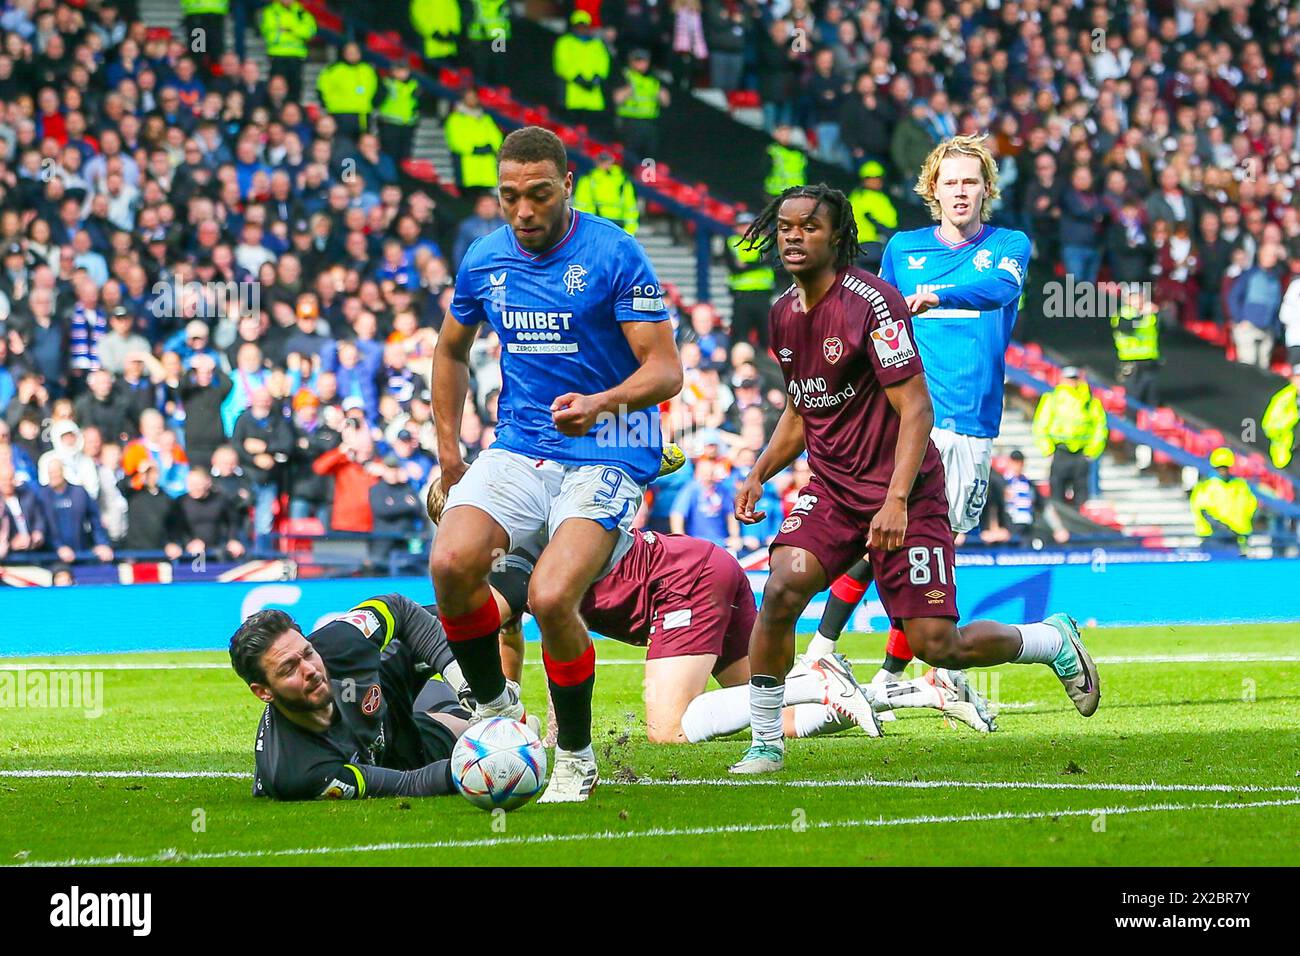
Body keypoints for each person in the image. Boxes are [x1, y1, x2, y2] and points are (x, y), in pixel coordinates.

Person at [727, 184, 1097, 775]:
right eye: (786, 227)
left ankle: (1051, 641)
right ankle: (767, 740)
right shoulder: (781, 315)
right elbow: (802, 408)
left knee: (937, 644)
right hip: (831, 487)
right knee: (781, 588)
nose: (794, 237)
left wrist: (896, 499)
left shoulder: (873, 304)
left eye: (809, 227)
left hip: (906, 491)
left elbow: (917, 409)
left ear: (838, 238)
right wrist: (759, 473)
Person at [429, 126, 681, 803]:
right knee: (451, 564)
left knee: (547, 597)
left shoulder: (614, 252)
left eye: (539, 195)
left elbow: (666, 371)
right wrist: (450, 452)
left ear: (567, 185)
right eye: (510, 197)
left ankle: (574, 755)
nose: (524, 211)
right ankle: (496, 711)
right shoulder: (484, 258)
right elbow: (450, 351)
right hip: (519, 442)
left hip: (611, 445)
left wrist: (601, 403)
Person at [427, 486, 992, 744]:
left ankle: (817, 681)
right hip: (702, 565)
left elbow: (485, 622)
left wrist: (504, 714)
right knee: (765, 715)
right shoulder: (525, 538)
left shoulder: (509, 563)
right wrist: (533, 722)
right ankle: (870, 699)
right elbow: (522, 632)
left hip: (682, 585)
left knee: (670, 730)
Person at [809, 135, 1031, 697]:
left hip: (972, 422)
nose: (961, 191)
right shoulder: (903, 249)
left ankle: (890, 675)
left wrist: (937, 295)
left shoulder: (1009, 244)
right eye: (950, 181)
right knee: (890, 532)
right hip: (911, 418)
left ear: (986, 189)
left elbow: (1001, 289)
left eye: (971, 181)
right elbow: (873, 318)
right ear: (933, 188)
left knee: (930, 549)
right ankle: (827, 650)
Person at [228, 593, 478, 801]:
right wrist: (476, 768)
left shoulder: (337, 644)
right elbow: (408, 784)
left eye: (307, 653)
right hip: (399, 754)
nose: (311, 670)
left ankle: (497, 704)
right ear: (263, 691)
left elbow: (400, 609)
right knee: (475, 739)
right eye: (289, 668)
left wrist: (462, 678)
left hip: (385, 686)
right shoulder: (298, 771)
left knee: (473, 618)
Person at [1032, 366, 1108, 505]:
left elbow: (1100, 427)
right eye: (1069, 378)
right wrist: (1048, 450)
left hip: (1081, 454)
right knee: (1057, 498)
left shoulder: (1090, 400)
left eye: (1074, 378)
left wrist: (1092, 451)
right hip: (1060, 451)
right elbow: (1040, 426)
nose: (1072, 382)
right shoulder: (1052, 398)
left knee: (1081, 498)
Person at [41, 458, 114, 564]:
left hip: (80, 553)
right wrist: (59, 547)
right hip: (54, 557)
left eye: (56, 471)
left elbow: (95, 520)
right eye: (50, 472)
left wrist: (102, 543)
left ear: (63, 471)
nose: (53, 475)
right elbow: (42, 527)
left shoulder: (79, 493)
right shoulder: (43, 496)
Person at [1190, 448, 1257, 555]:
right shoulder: (1206, 486)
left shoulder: (1241, 485)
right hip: (1215, 538)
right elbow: (1203, 511)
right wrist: (1224, 529)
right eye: (1220, 468)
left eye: (1225, 467)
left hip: (1239, 538)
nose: (1223, 471)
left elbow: (1252, 507)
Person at [1227, 244, 1283, 370]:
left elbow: (1276, 303)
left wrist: (1275, 328)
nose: (1272, 258)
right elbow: (1233, 297)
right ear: (1260, 256)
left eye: (1274, 255)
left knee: (1264, 368)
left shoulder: (1275, 278)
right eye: (1268, 255)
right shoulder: (1249, 275)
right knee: (1248, 366)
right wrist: (1239, 319)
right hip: (1248, 326)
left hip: (1268, 329)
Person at [725, 212, 776, 351]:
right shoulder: (732, 242)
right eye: (742, 226)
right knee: (739, 337)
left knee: (767, 336)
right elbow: (734, 267)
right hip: (741, 296)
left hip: (762, 296)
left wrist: (745, 264)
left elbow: (768, 261)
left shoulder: (765, 241)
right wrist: (757, 263)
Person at [613, 48, 670, 163]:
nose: (641, 64)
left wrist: (659, 91)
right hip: (630, 123)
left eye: (643, 61)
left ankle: (647, 180)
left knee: (649, 160)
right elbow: (617, 98)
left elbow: (666, 101)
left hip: (650, 124)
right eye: (637, 60)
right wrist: (629, 89)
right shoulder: (625, 76)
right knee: (628, 158)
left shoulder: (653, 80)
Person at [442, 89, 503, 193]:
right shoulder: (455, 119)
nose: (472, 100)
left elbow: (497, 138)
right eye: (468, 97)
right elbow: (455, 141)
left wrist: (490, 147)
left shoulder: (485, 119)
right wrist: (474, 149)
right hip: (466, 172)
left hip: (486, 173)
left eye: (474, 97)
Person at [1111, 284, 1161, 407]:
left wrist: (1161, 312)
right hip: (1131, 364)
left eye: (1139, 296)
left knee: (1151, 400)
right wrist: (1143, 314)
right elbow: (1126, 327)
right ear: (1126, 299)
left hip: (1149, 363)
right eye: (1133, 296)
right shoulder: (1122, 314)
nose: (1137, 299)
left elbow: (1168, 327)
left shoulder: (1151, 314)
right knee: (1133, 400)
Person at [316, 42, 378, 141]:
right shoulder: (332, 70)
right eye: (349, 52)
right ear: (344, 53)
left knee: (361, 146)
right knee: (341, 145)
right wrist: (326, 106)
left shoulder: (368, 70)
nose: (352, 54)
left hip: (362, 115)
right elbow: (321, 90)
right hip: (339, 114)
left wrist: (373, 104)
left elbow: (376, 89)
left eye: (355, 52)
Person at [553, 11, 610, 117]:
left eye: (584, 25)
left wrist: (596, 78)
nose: (581, 28)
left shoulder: (597, 44)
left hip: (593, 100)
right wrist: (578, 79)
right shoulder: (565, 42)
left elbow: (603, 64)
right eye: (578, 25)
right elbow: (562, 64)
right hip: (571, 98)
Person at [260, 0, 317, 103]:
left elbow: (310, 32)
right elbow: (270, 35)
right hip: (277, 55)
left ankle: (293, 111)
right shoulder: (271, 11)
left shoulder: (301, 12)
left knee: (295, 88)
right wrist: (297, 32)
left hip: (296, 56)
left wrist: (289, 29)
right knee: (276, 87)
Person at [572, 151, 639, 234]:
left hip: (618, 225)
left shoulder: (623, 181)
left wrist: (629, 231)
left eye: (606, 161)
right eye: (602, 161)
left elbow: (630, 207)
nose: (604, 164)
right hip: (597, 224)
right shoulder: (588, 180)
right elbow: (581, 205)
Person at [848, 161, 897, 272]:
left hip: (873, 246)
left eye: (878, 178)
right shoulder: (863, 198)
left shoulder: (861, 196)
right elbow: (874, 221)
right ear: (865, 179)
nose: (876, 181)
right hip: (869, 245)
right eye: (872, 178)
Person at [375, 62, 421, 165]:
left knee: (406, 157)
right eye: (398, 70)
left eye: (404, 70)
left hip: (407, 125)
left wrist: (416, 120)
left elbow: (417, 105)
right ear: (393, 71)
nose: (401, 73)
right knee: (389, 156)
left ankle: (403, 179)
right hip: (389, 125)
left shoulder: (414, 85)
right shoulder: (387, 84)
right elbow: (376, 101)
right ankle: (390, 178)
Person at [1262, 367, 1300, 471]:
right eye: (1298, 377)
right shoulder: (1282, 399)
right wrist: (1293, 418)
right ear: (1292, 379)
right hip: (1287, 453)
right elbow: (1268, 426)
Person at [409, 0, 461, 74]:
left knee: (450, 78)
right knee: (432, 77)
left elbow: (455, 13)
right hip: (430, 48)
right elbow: (417, 15)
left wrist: (453, 31)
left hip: (449, 48)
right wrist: (432, 32)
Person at [764, 124, 806, 198]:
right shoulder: (772, 151)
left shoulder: (799, 153)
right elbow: (762, 171)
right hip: (775, 194)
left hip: (796, 194)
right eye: (782, 133)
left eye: (787, 133)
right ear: (775, 134)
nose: (785, 135)